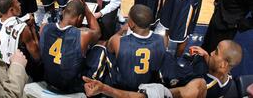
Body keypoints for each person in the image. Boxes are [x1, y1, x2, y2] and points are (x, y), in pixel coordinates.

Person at [83, 40, 242, 98]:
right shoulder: (227, 78)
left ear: (223, 65)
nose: (211, 53)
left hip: (170, 80)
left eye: (216, 53)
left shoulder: (198, 87)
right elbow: (217, 69)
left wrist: (105, 89)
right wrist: (206, 55)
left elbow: (143, 97)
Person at [39, 0, 101, 92]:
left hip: (49, 81)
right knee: (100, 48)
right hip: (70, 87)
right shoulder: (83, 35)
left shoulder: (45, 27)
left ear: (63, 12)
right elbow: (97, 32)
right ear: (80, 18)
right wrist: (86, 9)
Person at [107, 4, 166, 91]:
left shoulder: (117, 41)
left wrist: (121, 31)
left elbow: (109, 47)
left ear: (131, 24)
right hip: (148, 88)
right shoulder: (162, 40)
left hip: (123, 87)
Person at [0, 0, 40, 64]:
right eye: (17, 2)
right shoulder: (23, 29)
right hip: (23, 69)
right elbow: (37, 55)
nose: (20, 4)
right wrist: (32, 29)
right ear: (11, 10)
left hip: (4, 66)